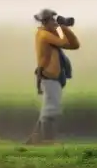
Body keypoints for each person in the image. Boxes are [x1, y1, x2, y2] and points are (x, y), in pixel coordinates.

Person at [28, 9, 80, 145]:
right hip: (48, 75)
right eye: (52, 20)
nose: (54, 22)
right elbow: (63, 42)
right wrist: (62, 28)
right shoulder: (43, 35)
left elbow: (74, 45)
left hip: (53, 76)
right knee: (51, 109)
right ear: (45, 22)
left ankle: (35, 139)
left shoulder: (49, 34)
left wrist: (65, 29)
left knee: (49, 108)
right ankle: (47, 140)